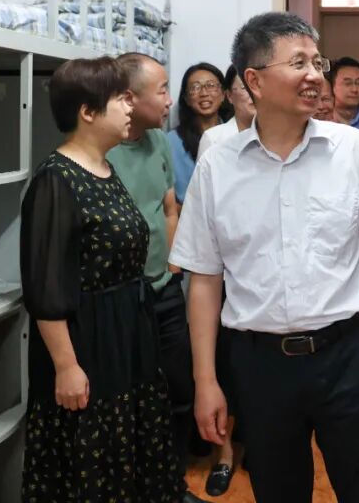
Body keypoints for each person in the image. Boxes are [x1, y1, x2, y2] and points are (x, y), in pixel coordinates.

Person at [171, 12, 359, 503]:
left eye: (317, 62)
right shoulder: (218, 166)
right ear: (255, 80)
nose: (314, 75)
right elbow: (205, 280)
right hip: (260, 366)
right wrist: (206, 380)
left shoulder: (354, 150)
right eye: (298, 62)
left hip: (349, 355)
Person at [19, 57, 201, 503]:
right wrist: (67, 366)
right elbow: (44, 288)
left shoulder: (103, 168)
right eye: (120, 99)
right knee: (94, 458)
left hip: (128, 334)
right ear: (87, 112)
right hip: (90, 342)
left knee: (133, 447)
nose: (129, 107)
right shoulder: (56, 180)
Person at [106, 53, 203, 491]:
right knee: (127, 401)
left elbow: (169, 208)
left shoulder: (159, 141)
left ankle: (173, 485)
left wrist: (173, 266)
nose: (169, 101)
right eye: (162, 90)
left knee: (179, 392)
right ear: (130, 97)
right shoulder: (101, 148)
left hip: (164, 289)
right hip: (121, 296)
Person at [189, 63, 255, 496]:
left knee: (255, 368)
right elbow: (206, 213)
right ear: (231, 95)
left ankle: (256, 443)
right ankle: (224, 455)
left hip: (259, 269)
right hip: (225, 269)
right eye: (241, 88)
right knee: (225, 365)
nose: (249, 94)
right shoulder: (216, 140)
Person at [168, 63, 231, 206]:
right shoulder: (171, 142)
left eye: (211, 85)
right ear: (186, 98)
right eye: (195, 87)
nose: (204, 93)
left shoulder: (236, 135)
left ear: (223, 94)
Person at [198, 64, 256, 161]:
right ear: (229, 96)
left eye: (258, 86)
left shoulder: (276, 136)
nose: (254, 94)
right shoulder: (213, 139)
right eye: (245, 88)